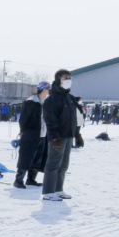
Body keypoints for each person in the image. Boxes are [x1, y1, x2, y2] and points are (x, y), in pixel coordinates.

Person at [42, 69, 77, 201]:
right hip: (57, 137)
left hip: (68, 135)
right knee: (53, 164)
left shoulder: (68, 97)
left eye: (70, 78)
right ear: (58, 80)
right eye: (65, 78)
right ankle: (48, 191)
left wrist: (76, 134)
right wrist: (55, 137)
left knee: (63, 165)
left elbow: (72, 118)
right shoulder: (52, 99)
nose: (69, 80)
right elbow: (50, 120)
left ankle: (58, 189)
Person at [14, 82, 50, 189]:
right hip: (31, 134)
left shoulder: (44, 102)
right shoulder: (31, 102)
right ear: (44, 90)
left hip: (42, 134)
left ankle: (31, 179)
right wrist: (23, 131)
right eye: (48, 90)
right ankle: (18, 180)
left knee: (37, 158)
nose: (48, 92)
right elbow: (23, 119)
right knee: (26, 157)